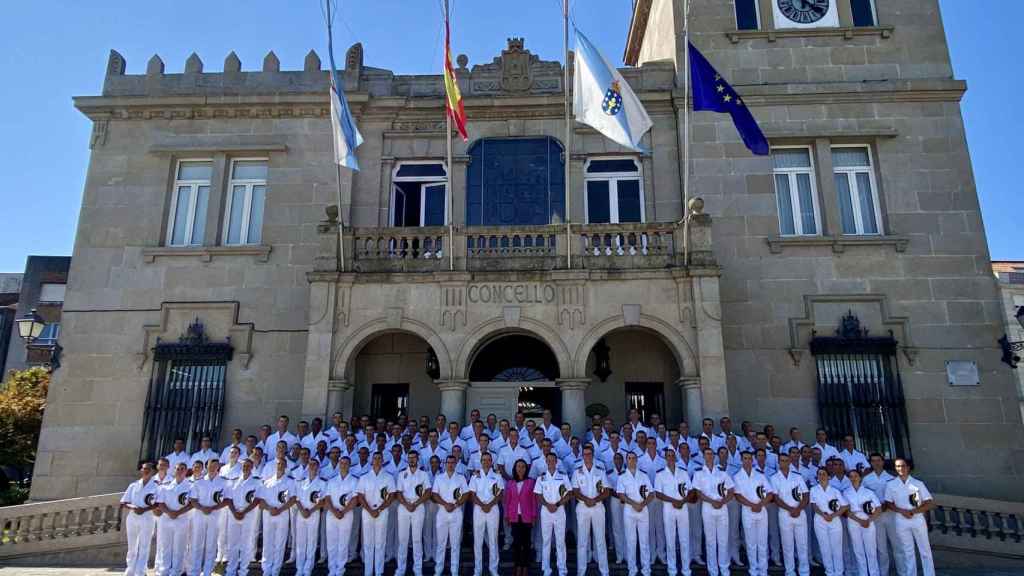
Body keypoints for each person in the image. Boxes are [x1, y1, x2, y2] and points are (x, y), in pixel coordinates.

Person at [886, 458, 936, 576]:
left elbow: (930, 503)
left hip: (917, 519)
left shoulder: (918, 483)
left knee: (925, 550)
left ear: (908, 467)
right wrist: (901, 511)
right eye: (898, 466)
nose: (900, 468)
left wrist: (914, 511)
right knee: (907, 551)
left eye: (903, 466)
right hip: (901, 520)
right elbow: (888, 503)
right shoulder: (891, 484)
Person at [694, 447, 733, 576]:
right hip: (708, 507)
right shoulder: (698, 473)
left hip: (722, 507)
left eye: (711, 454)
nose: (709, 456)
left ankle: (724, 569)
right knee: (710, 540)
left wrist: (722, 501)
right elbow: (698, 492)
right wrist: (712, 501)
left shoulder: (722, 472)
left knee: (723, 540)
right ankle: (713, 571)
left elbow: (731, 490)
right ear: (703, 456)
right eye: (707, 454)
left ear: (714, 456)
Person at [655, 447, 694, 576]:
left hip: (683, 508)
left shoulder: (683, 472)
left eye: (672, 455)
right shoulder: (660, 474)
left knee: (684, 539)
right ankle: (672, 569)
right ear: (665, 458)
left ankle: (686, 569)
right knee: (670, 539)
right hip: (669, 508)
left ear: (675, 457)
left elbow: (691, 491)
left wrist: (682, 501)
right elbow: (658, 494)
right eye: (668, 455)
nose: (671, 457)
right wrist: (673, 501)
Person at [573, 444, 611, 576]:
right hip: (583, 508)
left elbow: (606, 491)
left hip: (598, 507)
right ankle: (581, 571)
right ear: (582, 456)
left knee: (600, 540)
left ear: (593, 455)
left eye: (589, 454)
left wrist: (594, 500)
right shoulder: (577, 472)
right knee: (582, 541)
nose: (587, 456)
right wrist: (586, 500)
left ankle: (604, 571)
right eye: (585, 454)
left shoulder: (600, 471)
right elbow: (575, 491)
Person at [733, 451, 773, 576]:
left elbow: (770, 493)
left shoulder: (760, 476)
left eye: (750, 458)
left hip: (761, 510)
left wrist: (760, 505)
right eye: (745, 458)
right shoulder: (737, 476)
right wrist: (752, 505)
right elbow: (738, 496)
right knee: (751, 543)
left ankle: (763, 570)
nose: (748, 460)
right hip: (748, 511)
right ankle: (753, 570)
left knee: (762, 543)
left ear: (753, 460)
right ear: (741, 460)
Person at [771, 452, 810, 576]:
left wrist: (798, 509)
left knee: (802, 544)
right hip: (785, 514)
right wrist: (790, 509)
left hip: (799, 513)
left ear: (789, 462)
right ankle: (790, 571)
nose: (784, 463)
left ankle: (804, 571)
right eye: (782, 460)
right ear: (778, 462)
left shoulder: (797, 476)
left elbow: (805, 495)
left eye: (786, 460)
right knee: (788, 545)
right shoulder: (774, 478)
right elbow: (776, 498)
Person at [862, 452, 901, 576]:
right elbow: (864, 498)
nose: (876, 463)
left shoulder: (891, 478)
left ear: (883, 462)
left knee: (897, 546)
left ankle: (903, 572)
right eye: (873, 461)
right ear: (870, 463)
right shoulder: (866, 480)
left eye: (878, 460)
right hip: (876, 517)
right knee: (881, 547)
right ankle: (883, 573)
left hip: (891, 515)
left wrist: (888, 504)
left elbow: (898, 497)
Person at [535, 451, 573, 576]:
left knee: (560, 541)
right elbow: (538, 495)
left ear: (556, 462)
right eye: (549, 460)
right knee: (546, 540)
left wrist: (556, 505)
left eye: (553, 460)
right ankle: (546, 568)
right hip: (546, 511)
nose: (551, 462)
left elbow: (569, 494)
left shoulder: (563, 476)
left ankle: (562, 568)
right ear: (546, 462)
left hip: (559, 510)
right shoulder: (541, 477)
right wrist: (548, 505)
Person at [357, 451, 395, 576]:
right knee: (368, 543)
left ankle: (379, 572)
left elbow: (391, 496)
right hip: (367, 512)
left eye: (379, 458)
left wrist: (378, 510)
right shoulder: (364, 477)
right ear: (371, 461)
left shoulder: (388, 477)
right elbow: (360, 496)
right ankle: (368, 572)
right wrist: (370, 510)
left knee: (380, 543)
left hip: (382, 512)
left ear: (382, 460)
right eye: (375, 458)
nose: (377, 460)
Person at [617, 451, 655, 576]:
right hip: (629, 510)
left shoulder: (643, 475)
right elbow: (621, 494)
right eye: (629, 458)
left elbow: (651, 494)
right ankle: (632, 569)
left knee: (644, 541)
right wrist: (634, 504)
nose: (632, 460)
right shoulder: (622, 476)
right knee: (631, 541)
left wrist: (642, 504)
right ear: (626, 460)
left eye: (634, 458)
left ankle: (646, 570)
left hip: (643, 510)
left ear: (637, 460)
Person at [188, 458, 228, 576]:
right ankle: (195, 571)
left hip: (215, 515)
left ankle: (207, 571)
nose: (213, 467)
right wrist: (202, 508)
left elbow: (226, 500)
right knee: (197, 543)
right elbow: (193, 500)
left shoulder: (223, 482)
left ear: (218, 468)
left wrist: (212, 508)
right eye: (211, 465)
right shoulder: (199, 482)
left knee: (211, 544)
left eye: (215, 465)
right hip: (199, 515)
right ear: (207, 466)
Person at [395, 450, 432, 576]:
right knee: (403, 540)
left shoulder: (423, 474)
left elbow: (428, 492)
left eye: (414, 458)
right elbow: (398, 493)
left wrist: (415, 504)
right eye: (409, 458)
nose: (411, 460)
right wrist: (406, 504)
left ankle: (418, 569)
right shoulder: (401, 474)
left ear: (417, 459)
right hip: (404, 507)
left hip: (418, 506)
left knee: (416, 540)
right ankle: (400, 569)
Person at [224, 458, 262, 576]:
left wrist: (244, 512)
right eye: (244, 466)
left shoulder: (256, 482)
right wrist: (235, 512)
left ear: (252, 467)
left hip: (248, 514)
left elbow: (257, 500)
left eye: (248, 466)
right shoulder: (234, 481)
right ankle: (231, 570)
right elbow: (228, 499)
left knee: (246, 544)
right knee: (232, 544)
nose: (245, 468)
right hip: (234, 514)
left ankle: (243, 571)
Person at [433, 454, 470, 575]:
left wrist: (454, 505)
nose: (450, 464)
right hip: (442, 512)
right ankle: (438, 570)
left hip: (456, 512)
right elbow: (435, 494)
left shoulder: (461, 478)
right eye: (448, 462)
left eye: (452, 463)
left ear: (455, 464)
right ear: (445, 464)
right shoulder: (439, 478)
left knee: (455, 544)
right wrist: (445, 504)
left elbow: (466, 494)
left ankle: (454, 571)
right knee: (441, 544)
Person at [120, 461, 159, 576]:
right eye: (144, 469)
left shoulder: (156, 486)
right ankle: (130, 568)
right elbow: (123, 502)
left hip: (147, 517)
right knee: (132, 545)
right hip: (132, 517)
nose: (146, 470)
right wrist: (133, 507)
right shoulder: (133, 485)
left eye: (148, 469)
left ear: (153, 471)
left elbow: (158, 504)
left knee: (144, 545)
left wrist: (144, 509)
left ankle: (140, 570)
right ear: (141, 470)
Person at [324, 456, 359, 576]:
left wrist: (343, 512)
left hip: (346, 514)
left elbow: (355, 499)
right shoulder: (332, 480)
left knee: (343, 543)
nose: (343, 465)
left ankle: (340, 570)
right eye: (342, 462)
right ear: (339, 464)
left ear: (349, 465)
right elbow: (327, 498)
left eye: (346, 463)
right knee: (331, 543)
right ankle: (331, 569)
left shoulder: (354, 480)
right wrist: (334, 511)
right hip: (332, 514)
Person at [155, 462, 192, 576]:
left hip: (182, 519)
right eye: (177, 469)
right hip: (166, 519)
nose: (180, 471)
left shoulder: (191, 486)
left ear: (186, 471)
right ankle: (164, 571)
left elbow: (192, 504)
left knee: (179, 547)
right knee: (165, 546)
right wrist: (170, 512)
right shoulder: (165, 486)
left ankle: (176, 571)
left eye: (182, 469)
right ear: (174, 471)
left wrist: (178, 513)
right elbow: (160, 503)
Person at [469, 451, 503, 576]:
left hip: (493, 509)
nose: (486, 462)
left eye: (488, 459)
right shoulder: (475, 476)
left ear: (491, 462)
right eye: (484, 459)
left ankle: (493, 569)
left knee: (493, 540)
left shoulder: (497, 476)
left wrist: (489, 505)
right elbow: (472, 495)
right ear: (481, 461)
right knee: (478, 541)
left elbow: (500, 494)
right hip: (478, 509)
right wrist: (483, 505)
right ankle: (477, 570)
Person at [810, 467, 848, 576]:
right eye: (820, 474)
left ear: (828, 476)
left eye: (824, 474)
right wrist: (823, 515)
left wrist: (833, 515)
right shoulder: (813, 489)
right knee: (824, 547)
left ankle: (839, 572)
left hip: (834, 520)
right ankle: (829, 572)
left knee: (836, 548)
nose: (822, 476)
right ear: (817, 476)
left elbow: (845, 506)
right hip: (820, 520)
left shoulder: (835, 490)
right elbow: (814, 505)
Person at [844, 468, 882, 576]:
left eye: (855, 476)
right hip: (853, 520)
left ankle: (874, 573)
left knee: (871, 549)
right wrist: (860, 520)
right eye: (851, 476)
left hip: (868, 520)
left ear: (860, 478)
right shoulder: (846, 492)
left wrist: (869, 520)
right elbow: (846, 510)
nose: (853, 478)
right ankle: (863, 573)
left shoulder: (868, 492)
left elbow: (878, 508)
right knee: (858, 549)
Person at [293, 459, 325, 576]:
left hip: (313, 513)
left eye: (314, 465)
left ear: (318, 467)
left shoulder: (322, 483)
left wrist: (310, 511)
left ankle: (307, 569)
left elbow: (322, 501)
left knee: (311, 542)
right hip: (301, 514)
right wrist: (302, 510)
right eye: (310, 464)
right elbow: (296, 498)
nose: (312, 466)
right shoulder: (301, 482)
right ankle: (299, 569)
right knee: (300, 542)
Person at [504, 459, 536, 576]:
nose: (520, 469)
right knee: (517, 543)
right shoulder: (510, 483)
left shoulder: (530, 482)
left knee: (526, 543)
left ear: (526, 469)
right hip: (514, 517)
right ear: (515, 469)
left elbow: (533, 500)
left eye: (523, 467)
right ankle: (517, 566)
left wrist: (534, 516)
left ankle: (525, 567)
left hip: (527, 517)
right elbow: (507, 501)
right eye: (518, 466)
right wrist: (507, 516)